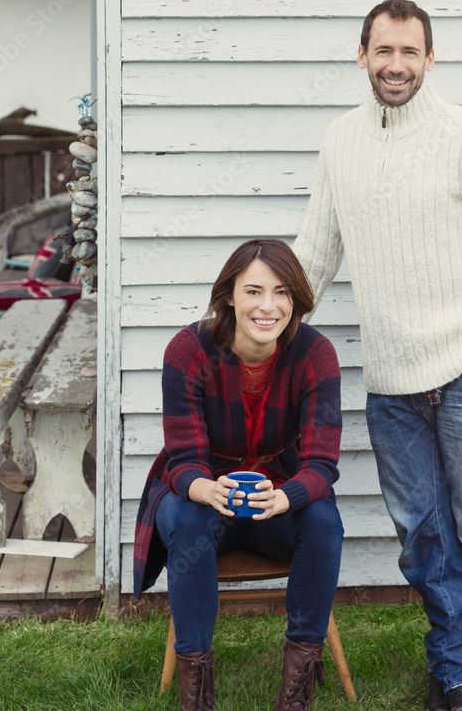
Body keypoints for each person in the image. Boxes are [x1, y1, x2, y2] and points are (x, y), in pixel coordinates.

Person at [293, 0, 462, 711]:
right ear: (362, 56)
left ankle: (455, 665)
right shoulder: (340, 142)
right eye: (384, 51)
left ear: (429, 58)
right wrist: (259, 323)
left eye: (410, 52)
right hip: (390, 382)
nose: (396, 64)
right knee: (419, 535)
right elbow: (315, 254)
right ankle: (460, 670)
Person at [133, 239, 344, 711]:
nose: (268, 306)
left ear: (295, 299)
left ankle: (296, 693)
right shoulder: (190, 349)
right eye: (253, 291)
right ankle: (196, 696)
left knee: (324, 522)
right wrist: (206, 489)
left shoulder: (315, 353)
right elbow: (183, 457)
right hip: (204, 497)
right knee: (188, 521)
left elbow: (321, 463)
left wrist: (286, 497)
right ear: (229, 296)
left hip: (276, 499)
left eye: (281, 292)